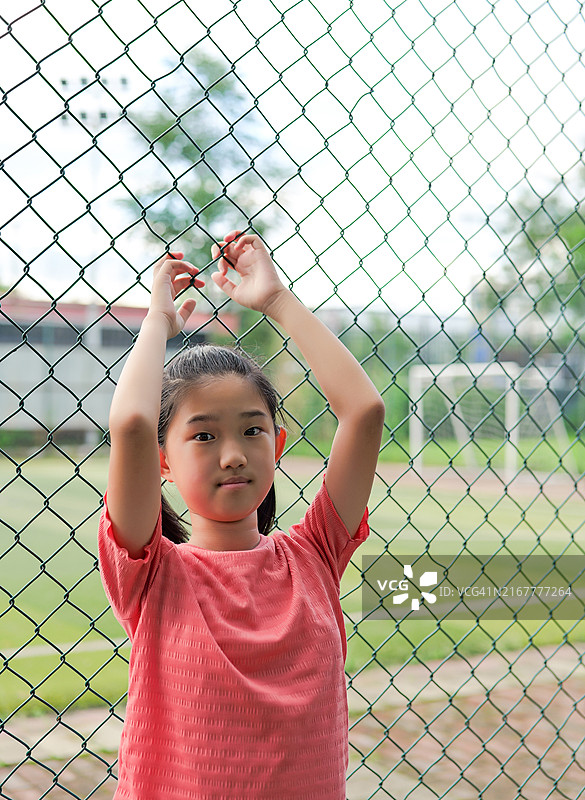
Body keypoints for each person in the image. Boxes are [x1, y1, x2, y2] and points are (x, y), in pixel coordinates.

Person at [98, 230, 385, 799]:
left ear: (277, 445)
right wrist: (156, 319)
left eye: (252, 430)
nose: (233, 454)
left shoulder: (315, 555)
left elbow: (364, 409)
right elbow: (130, 424)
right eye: (203, 435)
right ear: (163, 463)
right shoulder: (152, 572)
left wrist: (277, 300)